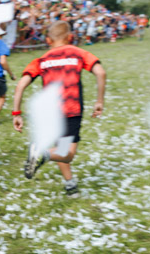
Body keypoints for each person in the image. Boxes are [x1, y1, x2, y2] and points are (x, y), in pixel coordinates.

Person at [10, 21, 106, 197]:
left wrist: (16, 113)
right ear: (70, 37)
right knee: (67, 154)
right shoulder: (77, 53)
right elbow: (101, 72)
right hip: (70, 109)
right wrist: (99, 101)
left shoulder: (42, 60)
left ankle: (70, 184)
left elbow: (20, 86)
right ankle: (42, 154)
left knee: (60, 148)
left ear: (47, 40)